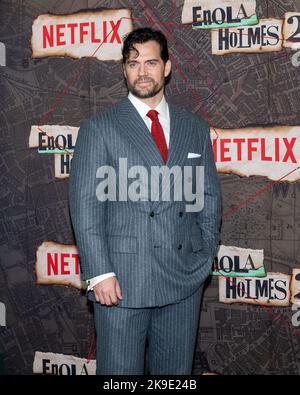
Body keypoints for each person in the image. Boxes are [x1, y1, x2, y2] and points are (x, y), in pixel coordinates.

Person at [69, 27, 222, 375]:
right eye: (133, 63)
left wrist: (204, 256)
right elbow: (85, 207)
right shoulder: (100, 128)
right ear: (124, 70)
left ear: (167, 67)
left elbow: (208, 197)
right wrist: (100, 272)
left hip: (182, 279)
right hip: (121, 283)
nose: (142, 71)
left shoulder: (194, 127)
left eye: (151, 62)